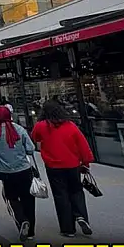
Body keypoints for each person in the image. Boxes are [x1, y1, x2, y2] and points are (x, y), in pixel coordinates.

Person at [31, 100, 95, 238]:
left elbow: (34, 137)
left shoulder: (41, 126)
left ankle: (68, 229)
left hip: (53, 166)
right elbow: (82, 144)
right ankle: (81, 215)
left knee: (60, 195)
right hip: (72, 164)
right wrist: (86, 162)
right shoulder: (70, 125)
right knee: (76, 191)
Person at [0, 106, 36, 242]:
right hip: (24, 170)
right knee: (28, 199)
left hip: (6, 172)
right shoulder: (19, 129)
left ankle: (21, 220)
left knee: (11, 198)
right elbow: (31, 148)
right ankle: (30, 232)